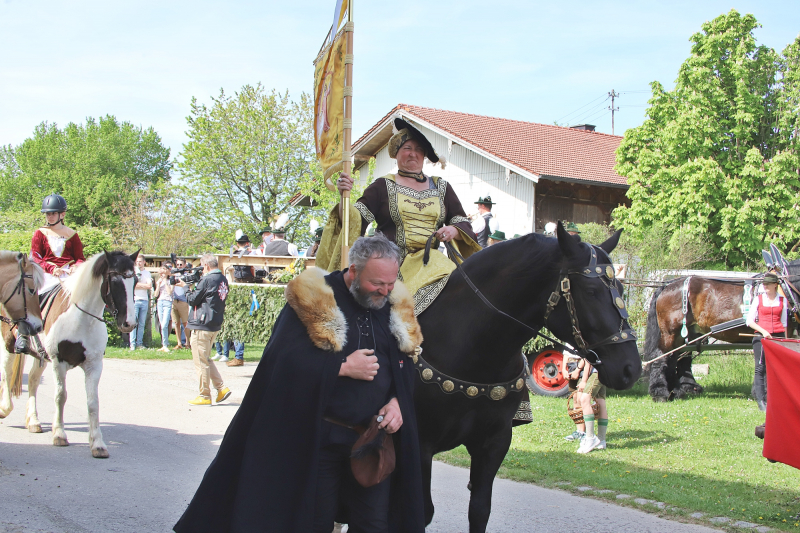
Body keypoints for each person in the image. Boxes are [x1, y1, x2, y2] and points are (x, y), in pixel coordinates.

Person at [173, 235, 425, 532]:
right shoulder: (314, 298)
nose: (384, 291)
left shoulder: (394, 305)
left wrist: (397, 401)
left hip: (372, 440)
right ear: (354, 271)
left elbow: (404, 366)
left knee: (374, 525)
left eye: (390, 283)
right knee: (314, 523)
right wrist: (341, 367)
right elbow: (283, 362)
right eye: (376, 283)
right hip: (319, 442)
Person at [322, 118, 481, 314]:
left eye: (419, 149)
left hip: (431, 261)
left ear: (424, 155)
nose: (413, 153)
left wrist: (453, 230)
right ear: (396, 153)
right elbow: (354, 220)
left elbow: (461, 221)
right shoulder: (382, 186)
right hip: (389, 262)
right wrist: (343, 196)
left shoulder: (442, 187)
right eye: (407, 148)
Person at [177, 254, 231, 406]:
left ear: (206, 265)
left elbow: (192, 299)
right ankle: (221, 388)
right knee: (206, 358)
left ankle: (204, 395)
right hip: (214, 323)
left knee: (201, 361)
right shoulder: (222, 279)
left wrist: (186, 287)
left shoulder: (207, 279)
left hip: (202, 323)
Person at [746, 272, 787, 412]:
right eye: (764, 284)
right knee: (760, 368)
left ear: (775, 285)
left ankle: (773, 398)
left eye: (768, 284)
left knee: (775, 369)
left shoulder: (782, 300)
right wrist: (763, 331)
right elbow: (749, 321)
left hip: (777, 337)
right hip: (761, 337)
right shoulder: (758, 299)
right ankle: (761, 400)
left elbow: (784, 323)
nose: (765, 286)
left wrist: (783, 340)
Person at [31, 193, 86, 294]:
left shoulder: (72, 234)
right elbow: (35, 258)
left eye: (53, 213)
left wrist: (75, 267)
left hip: (69, 275)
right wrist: (52, 269)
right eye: (48, 214)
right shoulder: (40, 233)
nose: (50, 217)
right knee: (34, 296)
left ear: (62, 214)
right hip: (48, 275)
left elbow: (80, 258)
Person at [575, 361, 608, 454]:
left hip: (596, 371)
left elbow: (588, 359)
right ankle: (601, 440)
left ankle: (590, 438)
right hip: (605, 370)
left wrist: (584, 381)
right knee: (600, 402)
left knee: (584, 399)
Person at [562, 352, 586, 441]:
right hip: (571, 365)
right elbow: (566, 353)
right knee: (575, 399)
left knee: (580, 399)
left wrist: (578, 370)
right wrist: (564, 369)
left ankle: (583, 432)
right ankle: (579, 430)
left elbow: (586, 355)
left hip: (582, 366)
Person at [130, 255, 153, 350]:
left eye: (140, 261)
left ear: (144, 262)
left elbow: (149, 286)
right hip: (135, 299)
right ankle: (132, 344)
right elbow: (132, 285)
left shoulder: (147, 273)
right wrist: (143, 285)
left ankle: (139, 343)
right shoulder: (133, 272)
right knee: (133, 323)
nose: (138, 263)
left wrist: (139, 285)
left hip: (144, 300)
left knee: (142, 323)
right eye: (137, 261)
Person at [153, 264, 174, 353]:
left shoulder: (171, 280)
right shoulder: (159, 280)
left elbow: (169, 292)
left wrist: (165, 282)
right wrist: (158, 285)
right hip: (160, 302)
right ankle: (164, 344)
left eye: (164, 269)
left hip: (167, 302)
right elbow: (155, 295)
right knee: (162, 324)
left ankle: (165, 344)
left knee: (165, 324)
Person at [171, 258, 190, 350]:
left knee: (185, 323)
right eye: (177, 265)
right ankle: (179, 343)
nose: (179, 266)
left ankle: (187, 342)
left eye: (181, 264)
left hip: (183, 301)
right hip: (175, 300)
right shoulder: (174, 275)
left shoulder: (187, 276)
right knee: (176, 323)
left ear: (185, 265)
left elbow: (189, 287)